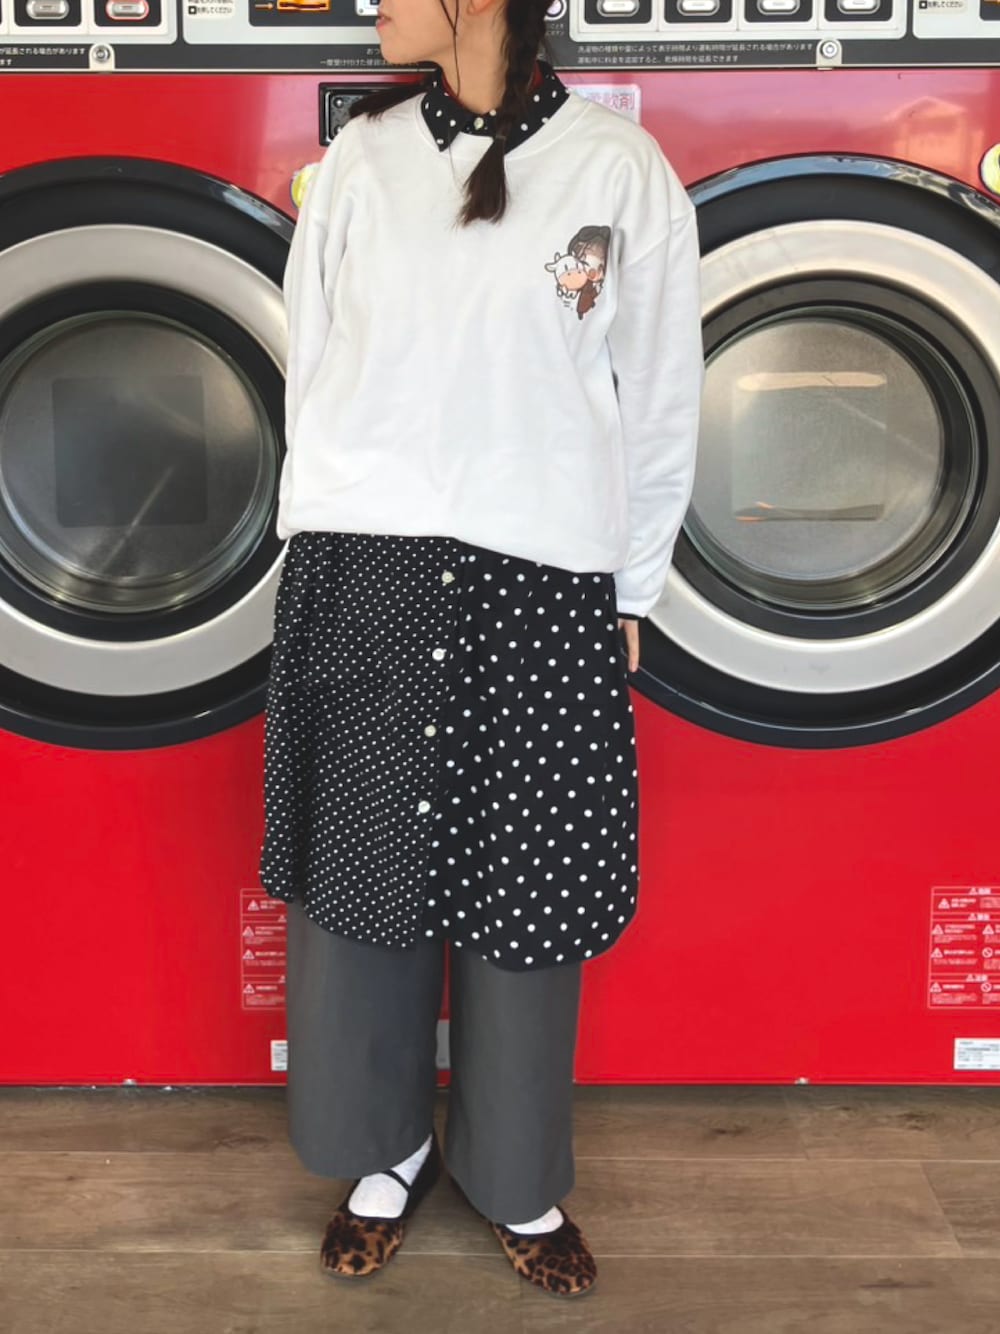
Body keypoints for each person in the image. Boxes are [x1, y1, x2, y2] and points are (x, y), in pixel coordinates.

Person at [257, 0, 703, 1301]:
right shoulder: (362, 161)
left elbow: (660, 391)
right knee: (364, 882)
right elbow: (309, 367)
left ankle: (515, 1172)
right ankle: (383, 1152)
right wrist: (313, 547)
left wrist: (635, 578)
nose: (374, 5)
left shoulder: (618, 171)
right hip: (368, 566)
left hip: (542, 577)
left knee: (529, 886)